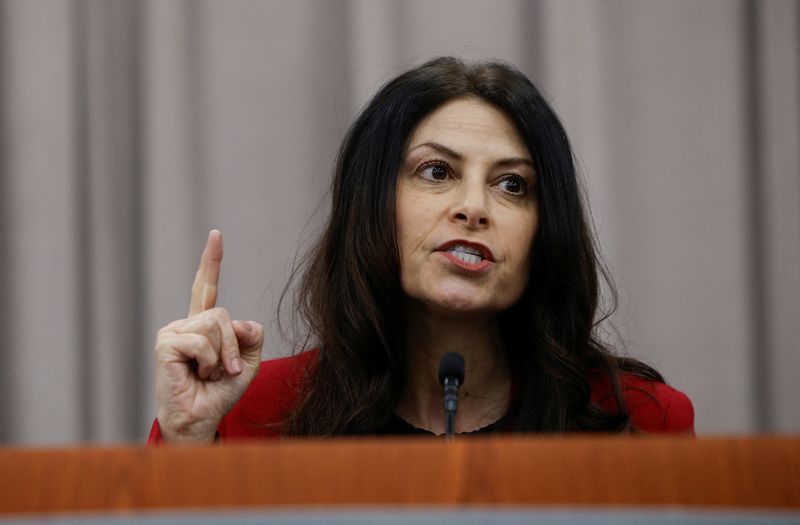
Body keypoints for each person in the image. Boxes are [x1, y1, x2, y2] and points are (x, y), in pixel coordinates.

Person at [149, 57, 693, 444]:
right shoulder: (253, 415)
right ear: (374, 206)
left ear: (545, 231)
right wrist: (186, 444)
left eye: (512, 185)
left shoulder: (643, 423)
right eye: (437, 172)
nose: (473, 207)